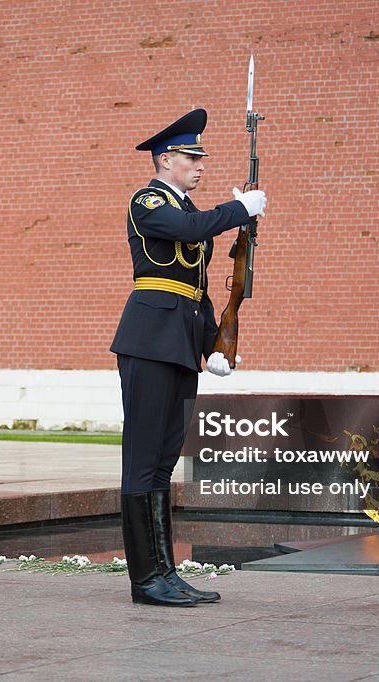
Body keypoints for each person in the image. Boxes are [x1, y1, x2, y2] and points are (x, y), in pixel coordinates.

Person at [110, 109, 266, 607]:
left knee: (161, 464)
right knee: (140, 463)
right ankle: (144, 580)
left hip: (178, 347)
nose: (199, 165)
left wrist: (212, 344)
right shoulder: (149, 200)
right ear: (165, 160)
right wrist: (239, 210)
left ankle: (165, 572)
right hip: (148, 342)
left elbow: (196, 292)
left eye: (200, 157)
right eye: (190, 157)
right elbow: (192, 228)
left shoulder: (188, 211)